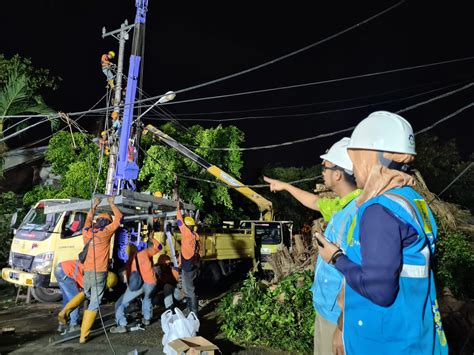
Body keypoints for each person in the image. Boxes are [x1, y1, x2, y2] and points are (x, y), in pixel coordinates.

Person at [316, 111, 448, 355]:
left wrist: (336, 258)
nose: (353, 169)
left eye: (356, 159)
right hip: (415, 333)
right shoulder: (412, 199)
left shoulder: (379, 210)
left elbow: (380, 291)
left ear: (372, 157)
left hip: (385, 340)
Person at [264, 137, 361, 355]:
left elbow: (358, 272)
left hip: (339, 316)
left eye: (325, 167)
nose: (322, 172)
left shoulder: (358, 211)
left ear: (338, 174)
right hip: (327, 310)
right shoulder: (340, 206)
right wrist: (286, 186)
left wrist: (342, 325)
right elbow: (315, 202)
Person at [79, 196, 122, 344]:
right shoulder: (106, 232)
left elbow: (88, 219)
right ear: (107, 223)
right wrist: (111, 203)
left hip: (87, 272)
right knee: (94, 302)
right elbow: (120, 218)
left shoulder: (86, 232)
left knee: (87, 294)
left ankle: (66, 313)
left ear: (97, 222)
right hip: (100, 272)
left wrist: (95, 205)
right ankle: (83, 335)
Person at [110, 236, 163, 333]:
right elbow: (159, 247)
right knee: (147, 298)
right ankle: (147, 319)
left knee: (120, 303)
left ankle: (122, 324)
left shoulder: (129, 262)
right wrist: (152, 238)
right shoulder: (145, 253)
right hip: (151, 282)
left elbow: (129, 280)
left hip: (138, 285)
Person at [176, 202, 200, 316]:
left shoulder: (187, 234)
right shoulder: (194, 236)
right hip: (192, 265)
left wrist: (178, 209)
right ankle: (191, 311)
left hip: (188, 267)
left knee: (189, 291)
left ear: (188, 226)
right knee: (190, 289)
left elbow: (179, 222)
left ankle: (193, 313)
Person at [54, 259, 84, 333]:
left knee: (67, 299)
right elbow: (84, 291)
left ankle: (62, 324)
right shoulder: (91, 273)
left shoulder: (88, 264)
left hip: (59, 268)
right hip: (66, 271)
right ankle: (74, 325)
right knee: (75, 300)